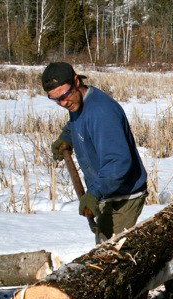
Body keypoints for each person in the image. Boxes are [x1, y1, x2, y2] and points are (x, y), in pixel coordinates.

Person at [42, 62, 147, 243]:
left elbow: (119, 162)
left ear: (76, 81)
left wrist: (94, 193)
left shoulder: (101, 112)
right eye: (56, 99)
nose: (63, 103)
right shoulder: (78, 102)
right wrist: (67, 137)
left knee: (111, 252)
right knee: (105, 247)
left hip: (124, 196)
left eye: (65, 95)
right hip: (107, 191)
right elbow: (77, 123)